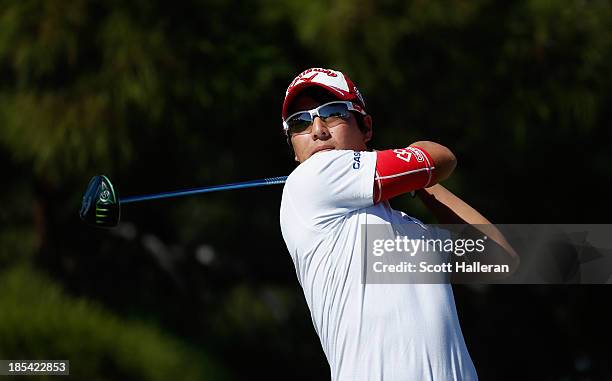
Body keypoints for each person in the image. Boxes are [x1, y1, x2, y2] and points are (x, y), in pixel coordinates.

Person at [279, 68, 518, 381]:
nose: (318, 130)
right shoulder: (309, 180)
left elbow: (499, 259)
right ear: (293, 149)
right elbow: (438, 157)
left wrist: (418, 184)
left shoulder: (411, 231)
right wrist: (406, 172)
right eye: (300, 122)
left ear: (365, 128)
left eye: (333, 113)